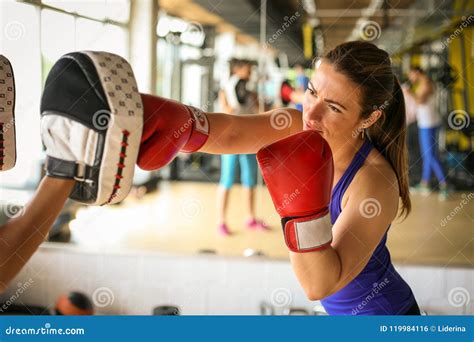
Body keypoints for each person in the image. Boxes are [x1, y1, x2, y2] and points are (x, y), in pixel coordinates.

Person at [139, 41, 420, 315]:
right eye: (312, 92)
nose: (311, 112)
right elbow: (233, 132)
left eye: (334, 107)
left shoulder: (374, 181)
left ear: (369, 119)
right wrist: (179, 124)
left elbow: (319, 283)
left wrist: (300, 211)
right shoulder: (297, 125)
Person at [216, 59, 267, 235]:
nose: (251, 72)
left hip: (249, 140)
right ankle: (221, 221)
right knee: (227, 180)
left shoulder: (249, 90)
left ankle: (250, 218)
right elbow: (228, 110)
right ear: (238, 70)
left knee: (250, 179)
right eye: (248, 69)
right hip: (230, 140)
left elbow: (257, 112)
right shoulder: (226, 90)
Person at [406, 66, 448, 200]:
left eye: (411, 75)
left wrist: (408, 93)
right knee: (427, 154)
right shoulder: (423, 83)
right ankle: (425, 183)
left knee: (430, 155)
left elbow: (420, 100)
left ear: (417, 72)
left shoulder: (426, 83)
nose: (410, 78)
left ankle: (445, 185)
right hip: (426, 123)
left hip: (428, 124)